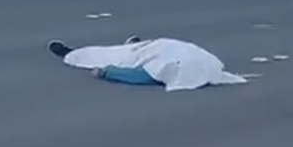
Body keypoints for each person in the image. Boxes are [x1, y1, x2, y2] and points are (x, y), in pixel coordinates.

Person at [46, 35, 248, 90]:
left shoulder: (206, 64)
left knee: (115, 55)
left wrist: (107, 72)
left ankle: (72, 55)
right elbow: (143, 77)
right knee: (123, 55)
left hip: (161, 48)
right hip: (161, 49)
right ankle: (136, 45)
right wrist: (107, 73)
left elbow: (142, 76)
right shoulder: (198, 67)